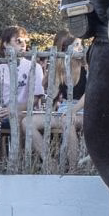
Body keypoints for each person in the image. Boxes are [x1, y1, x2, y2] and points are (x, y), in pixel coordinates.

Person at [0, 25, 44, 161]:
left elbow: (35, 98)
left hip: (23, 112)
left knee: (16, 118)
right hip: (1, 111)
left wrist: (13, 109)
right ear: (5, 44)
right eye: (18, 41)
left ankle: (17, 162)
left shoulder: (34, 66)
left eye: (25, 41)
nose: (23, 45)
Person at [28, 31, 87, 169]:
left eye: (81, 44)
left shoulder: (86, 66)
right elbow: (51, 94)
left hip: (83, 110)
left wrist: (73, 110)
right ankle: (50, 162)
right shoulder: (61, 67)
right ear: (66, 49)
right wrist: (52, 73)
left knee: (68, 121)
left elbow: (89, 95)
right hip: (63, 111)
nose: (80, 48)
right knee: (28, 122)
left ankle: (74, 168)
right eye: (76, 44)